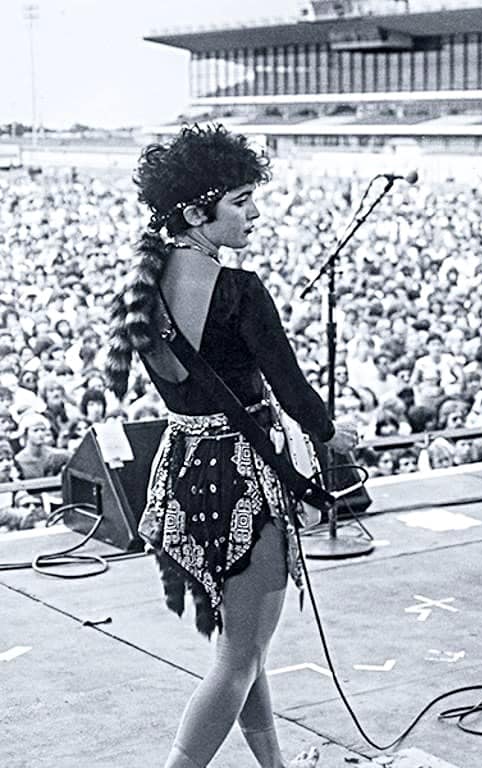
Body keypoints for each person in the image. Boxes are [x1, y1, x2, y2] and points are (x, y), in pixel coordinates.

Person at [105, 125, 358, 768]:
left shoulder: (143, 287)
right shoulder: (240, 292)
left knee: (241, 648)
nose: (255, 213)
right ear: (196, 212)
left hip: (185, 471)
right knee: (237, 659)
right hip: (245, 478)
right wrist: (332, 435)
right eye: (241, 200)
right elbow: (293, 389)